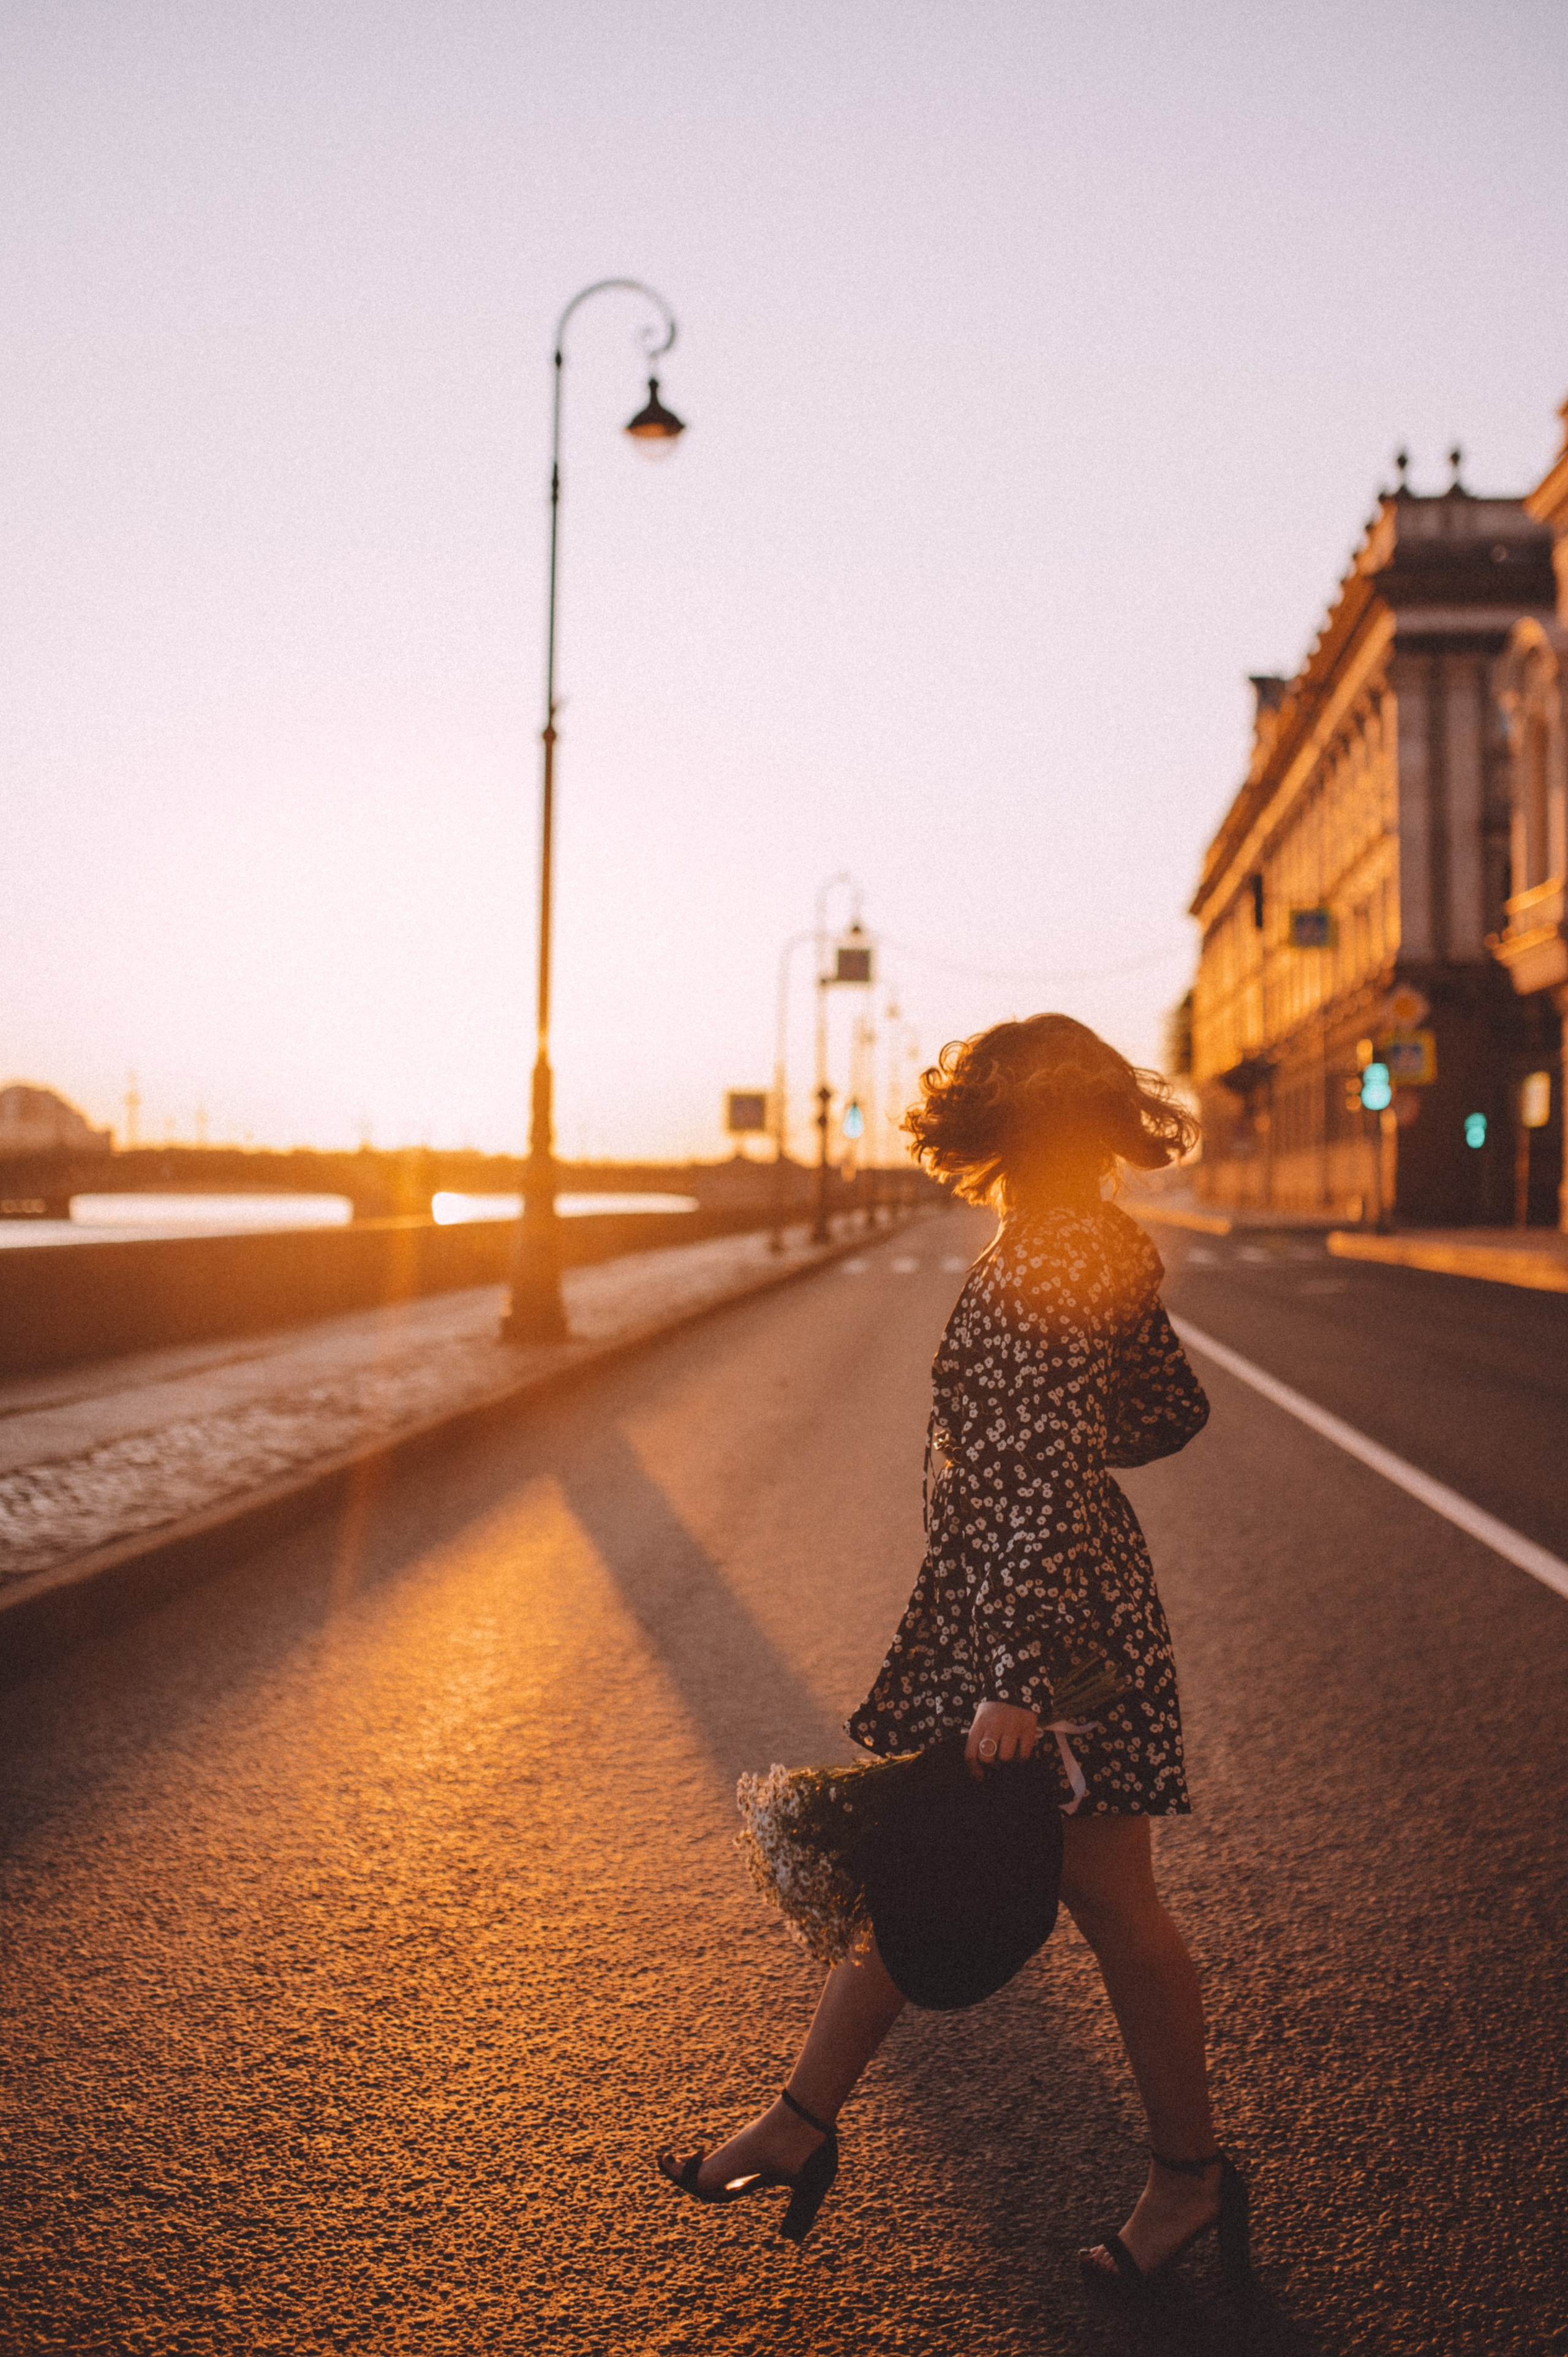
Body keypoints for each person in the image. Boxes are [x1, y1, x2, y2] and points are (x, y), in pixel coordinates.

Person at [658, 1014, 1249, 2290]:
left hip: (1049, 1639)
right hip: (1043, 1609)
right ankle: (800, 2120)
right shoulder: (1087, 1243)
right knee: (933, 1860)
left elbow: (1041, 1477)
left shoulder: (1048, 1254)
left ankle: (1189, 2179)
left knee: (1108, 1900)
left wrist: (1014, 1684)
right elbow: (1166, 1412)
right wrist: (1055, 1454)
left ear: (992, 1125)